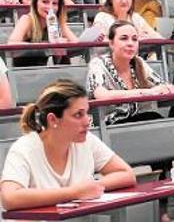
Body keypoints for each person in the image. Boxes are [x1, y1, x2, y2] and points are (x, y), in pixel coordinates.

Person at [0, 79, 136, 211]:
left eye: (86, 113)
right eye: (78, 115)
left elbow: (127, 174)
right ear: (53, 119)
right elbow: (9, 198)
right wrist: (74, 192)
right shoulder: (24, 148)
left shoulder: (87, 140)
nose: (87, 121)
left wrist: (92, 187)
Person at [86, 20, 174, 125]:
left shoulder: (139, 62)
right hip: (108, 124)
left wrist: (168, 88)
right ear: (111, 44)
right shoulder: (98, 63)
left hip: (137, 120)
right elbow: (102, 95)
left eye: (134, 39)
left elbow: (166, 87)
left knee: (156, 119)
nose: (130, 43)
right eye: (124, 38)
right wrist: (146, 92)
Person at [9, 0, 78, 52]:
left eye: (54, 3)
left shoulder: (59, 22)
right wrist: (46, 45)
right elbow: (12, 44)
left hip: (51, 63)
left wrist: (64, 43)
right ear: (35, 3)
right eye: (45, 2)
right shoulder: (26, 19)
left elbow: (77, 44)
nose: (50, 7)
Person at [93, 0, 162, 39]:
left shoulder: (136, 18)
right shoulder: (102, 17)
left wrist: (147, 37)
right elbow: (99, 43)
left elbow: (158, 38)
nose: (124, 1)